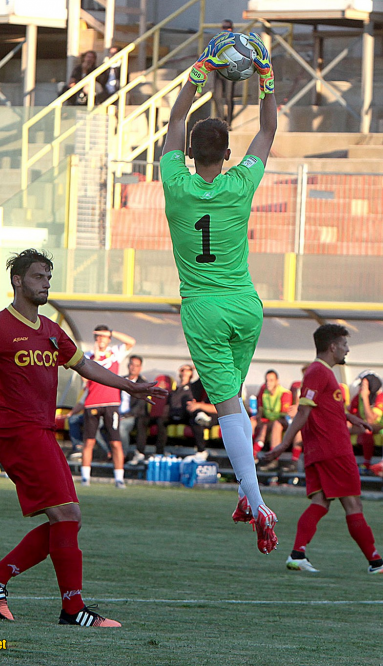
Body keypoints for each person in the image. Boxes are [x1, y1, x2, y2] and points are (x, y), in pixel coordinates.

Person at [0, 248, 167, 627]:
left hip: (43, 434)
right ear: (18, 281)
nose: (46, 284)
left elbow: (85, 365)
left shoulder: (51, 330)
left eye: (49, 278)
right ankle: (71, 609)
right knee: (67, 515)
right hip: (20, 435)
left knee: (68, 519)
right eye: (39, 277)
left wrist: (129, 386)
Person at [160, 30, 278, 554]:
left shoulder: (175, 183)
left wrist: (199, 71)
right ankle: (244, 495)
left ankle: (257, 502)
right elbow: (269, 128)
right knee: (235, 401)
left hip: (204, 308)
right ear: (228, 154)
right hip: (246, 306)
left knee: (228, 406)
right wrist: (265, 76)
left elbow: (173, 121)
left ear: (189, 152)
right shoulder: (240, 183)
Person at [262, 324, 383, 574]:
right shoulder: (318, 371)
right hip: (334, 449)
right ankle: (376, 563)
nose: (347, 350)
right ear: (333, 346)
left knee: (321, 501)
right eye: (345, 345)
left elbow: (324, 405)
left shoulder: (322, 372)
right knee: (353, 505)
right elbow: (304, 411)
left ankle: (297, 554)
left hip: (320, 449)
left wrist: (350, 417)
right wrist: (284, 443)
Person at [81, 325, 136, 489]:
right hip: (92, 403)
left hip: (111, 403)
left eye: (104, 336)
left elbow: (131, 342)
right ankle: (85, 477)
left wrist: (111, 332)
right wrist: (95, 357)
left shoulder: (115, 352)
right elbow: (85, 378)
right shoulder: (88, 355)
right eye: (98, 337)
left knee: (116, 442)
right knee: (89, 442)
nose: (101, 340)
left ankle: (119, 478)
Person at [166, 365, 210, 459]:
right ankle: (159, 453)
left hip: (187, 414)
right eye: (183, 370)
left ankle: (199, 414)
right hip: (174, 414)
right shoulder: (175, 389)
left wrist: (199, 365)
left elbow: (205, 376)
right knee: (160, 420)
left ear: (191, 373)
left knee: (189, 404)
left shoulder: (194, 387)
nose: (185, 372)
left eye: (188, 370)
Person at [255, 370, 293, 471]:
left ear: (277, 381)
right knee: (253, 422)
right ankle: (251, 455)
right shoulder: (264, 392)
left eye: (271, 380)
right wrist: (258, 419)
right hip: (269, 421)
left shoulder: (284, 393)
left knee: (276, 425)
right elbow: (260, 411)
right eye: (267, 380)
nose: (268, 383)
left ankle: (274, 459)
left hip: (283, 422)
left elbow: (284, 415)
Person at [348, 371, 383, 471]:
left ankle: (366, 465)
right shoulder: (358, 397)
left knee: (367, 429)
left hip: (378, 427)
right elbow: (351, 414)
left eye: (364, 386)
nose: (361, 388)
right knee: (343, 428)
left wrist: (365, 397)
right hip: (362, 426)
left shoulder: (380, 397)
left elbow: (370, 419)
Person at [119, 355, 148, 458]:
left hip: (131, 416)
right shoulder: (120, 381)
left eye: (137, 365)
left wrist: (125, 416)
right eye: (132, 364)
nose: (133, 368)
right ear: (128, 365)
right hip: (116, 413)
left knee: (121, 428)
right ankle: (109, 451)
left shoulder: (143, 384)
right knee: (98, 424)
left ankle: (122, 455)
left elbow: (140, 405)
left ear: (140, 368)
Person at [213, 20, 235, 127]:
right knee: (217, 97)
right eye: (224, 27)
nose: (226, 29)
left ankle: (229, 122)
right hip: (219, 72)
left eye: (228, 27)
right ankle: (222, 121)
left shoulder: (235, 41)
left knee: (228, 98)